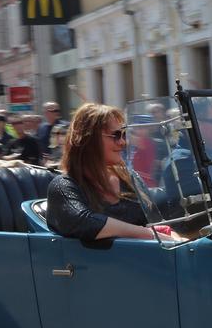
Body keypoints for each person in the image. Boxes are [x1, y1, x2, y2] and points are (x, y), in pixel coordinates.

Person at [46, 104, 172, 242]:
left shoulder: (130, 178)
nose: (123, 142)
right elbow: (86, 223)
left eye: (123, 134)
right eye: (116, 135)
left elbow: (158, 224)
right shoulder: (64, 186)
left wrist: (182, 244)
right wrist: (146, 233)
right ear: (88, 139)